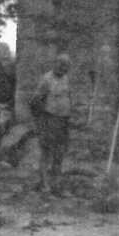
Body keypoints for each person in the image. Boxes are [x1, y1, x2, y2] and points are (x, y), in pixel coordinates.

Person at [29, 53, 73, 193]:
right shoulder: (46, 79)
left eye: (66, 66)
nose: (63, 68)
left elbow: (68, 97)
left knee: (59, 153)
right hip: (49, 120)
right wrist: (41, 121)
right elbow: (35, 101)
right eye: (61, 65)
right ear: (55, 64)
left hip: (63, 121)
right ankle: (44, 184)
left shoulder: (66, 79)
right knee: (46, 152)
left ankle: (56, 183)